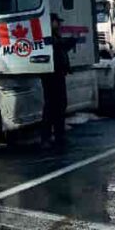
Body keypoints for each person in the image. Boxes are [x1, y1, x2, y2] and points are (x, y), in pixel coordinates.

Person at [41, 14, 72, 147]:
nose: (59, 25)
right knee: (52, 106)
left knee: (60, 105)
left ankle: (59, 135)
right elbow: (57, 47)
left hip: (58, 74)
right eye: (56, 22)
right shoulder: (48, 36)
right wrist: (68, 43)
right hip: (51, 75)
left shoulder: (55, 36)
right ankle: (47, 137)